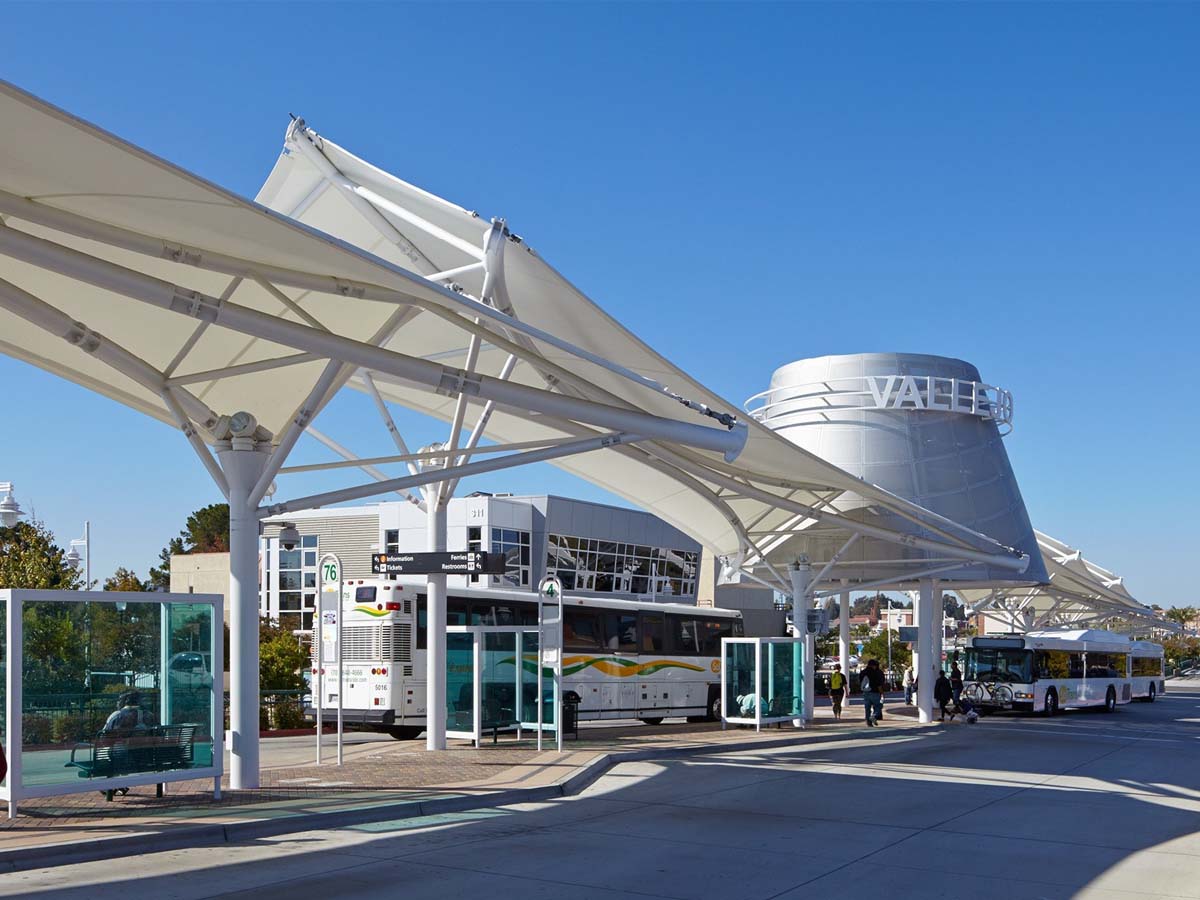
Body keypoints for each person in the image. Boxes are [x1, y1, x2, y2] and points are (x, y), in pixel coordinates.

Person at [861, 659, 885, 726]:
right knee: (879, 706)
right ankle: (874, 716)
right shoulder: (876, 673)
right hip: (875, 692)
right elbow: (879, 684)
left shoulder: (862, 672)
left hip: (865, 692)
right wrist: (882, 693)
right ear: (873, 665)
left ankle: (868, 722)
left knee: (867, 708)